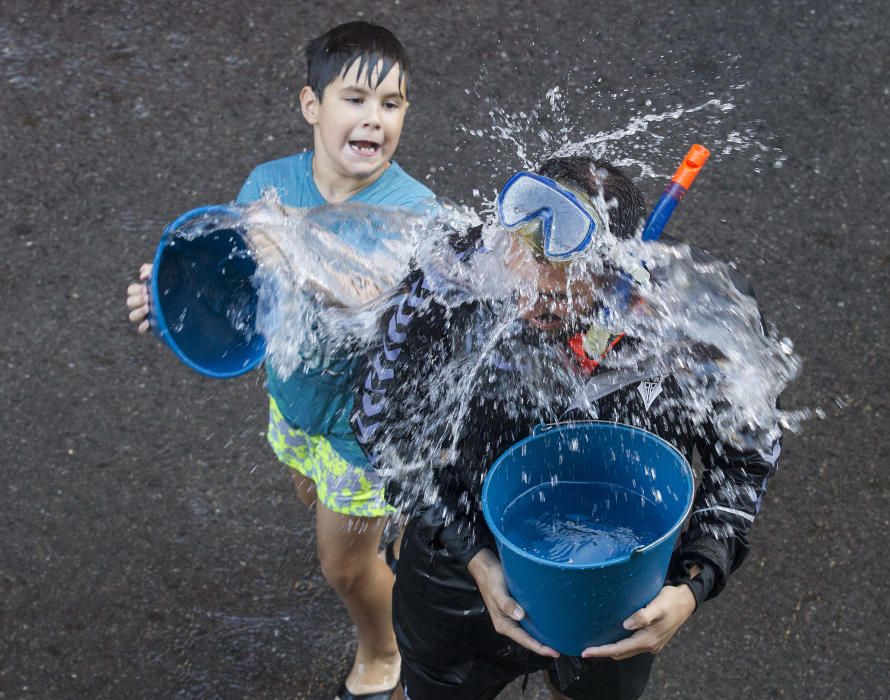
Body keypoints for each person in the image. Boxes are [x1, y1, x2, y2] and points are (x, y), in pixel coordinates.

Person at [351, 156, 781, 699]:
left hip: (616, 591)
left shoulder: (687, 319)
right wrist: (475, 556)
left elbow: (748, 455)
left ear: (616, 273)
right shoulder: (455, 282)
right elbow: (380, 426)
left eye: (555, 299)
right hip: (459, 579)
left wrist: (694, 583)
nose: (529, 304)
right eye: (519, 283)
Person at [126, 22, 434, 700]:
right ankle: (394, 528)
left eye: (393, 104)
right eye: (356, 98)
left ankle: (386, 654)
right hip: (296, 403)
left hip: (369, 433)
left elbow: (374, 302)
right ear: (310, 105)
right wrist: (170, 303)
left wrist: (294, 255)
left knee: (344, 566)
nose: (374, 119)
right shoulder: (269, 186)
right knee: (306, 486)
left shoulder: (414, 214)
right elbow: (240, 291)